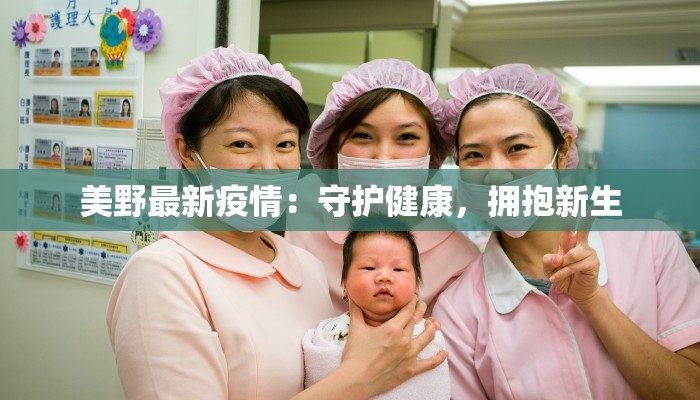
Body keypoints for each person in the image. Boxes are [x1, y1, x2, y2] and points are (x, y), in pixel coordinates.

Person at [106, 45, 445, 400]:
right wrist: (357, 380)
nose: (268, 167)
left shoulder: (305, 267)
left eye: (284, 144)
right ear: (188, 152)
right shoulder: (162, 274)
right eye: (241, 144)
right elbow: (348, 380)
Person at [433, 64, 700, 399]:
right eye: (474, 155)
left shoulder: (651, 245)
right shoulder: (458, 310)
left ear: (561, 153)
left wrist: (594, 301)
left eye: (517, 148)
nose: (496, 172)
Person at [286, 59, 480, 315]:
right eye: (362, 135)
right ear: (334, 144)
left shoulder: (458, 261)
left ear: (432, 150)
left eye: (407, 137)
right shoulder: (304, 202)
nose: (384, 158)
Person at [303, 218, 451, 399]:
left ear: (416, 288)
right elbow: (319, 372)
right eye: (369, 267)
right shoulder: (328, 333)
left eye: (398, 269)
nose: (384, 276)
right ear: (345, 286)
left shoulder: (425, 332)